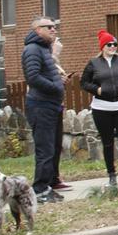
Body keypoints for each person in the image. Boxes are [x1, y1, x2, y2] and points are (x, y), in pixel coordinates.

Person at [80, 30, 118, 186]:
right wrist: (97, 90)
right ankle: (111, 174)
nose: (113, 47)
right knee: (107, 142)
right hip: (102, 107)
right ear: (102, 46)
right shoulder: (94, 63)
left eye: (114, 44)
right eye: (109, 44)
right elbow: (84, 82)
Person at [22, 15, 68, 204]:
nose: (53, 29)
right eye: (48, 26)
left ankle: (48, 185)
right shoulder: (32, 49)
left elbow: (47, 73)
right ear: (37, 30)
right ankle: (39, 189)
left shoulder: (43, 49)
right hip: (41, 105)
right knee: (45, 149)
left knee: (54, 147)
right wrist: (56, 87)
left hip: (52, 105)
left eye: (54, 26)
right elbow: (32, 77)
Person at [48, 37, 72, 193]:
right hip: (45, 107)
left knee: (57, 144)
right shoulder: (40, 55)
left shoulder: (53, 62)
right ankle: (46, 181)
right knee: (48, 145)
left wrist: (62, 79)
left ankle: (54, 178)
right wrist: (55, 54)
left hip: (57, 105)